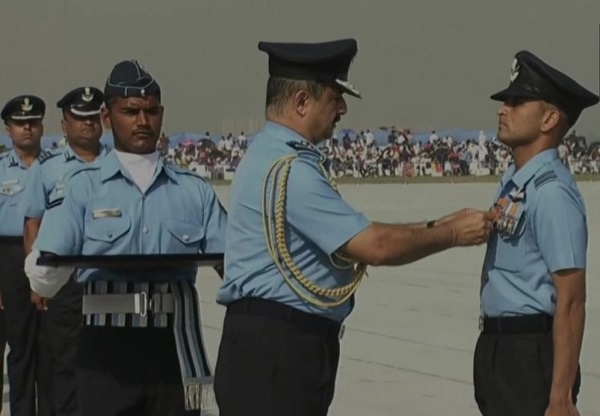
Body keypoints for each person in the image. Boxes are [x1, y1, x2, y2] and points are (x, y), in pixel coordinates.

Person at [213, 38, 493, 416]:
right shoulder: (290, 168)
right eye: (334, 97)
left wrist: (438, 222)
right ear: (300, 102)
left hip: (279, 348)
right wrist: (453, 234)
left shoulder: (275, 156)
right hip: (277, 351)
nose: (342, 109)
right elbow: (374, 246)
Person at [24, 60, 228, 415]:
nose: (142, 121)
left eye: (151, 111)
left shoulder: (193, 191)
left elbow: (234, 265)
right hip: (106, 351)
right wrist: (40, 265)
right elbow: (46, 277)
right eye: (130, 111)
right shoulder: (81, 188)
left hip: (173, 344)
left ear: (162, 114)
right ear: (107, 117)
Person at [474, 50, 599, 416]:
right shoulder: (517, 184)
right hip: (501, 350)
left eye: (516, 102)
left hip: (531, 355)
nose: (503, 109)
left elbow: (572, 299)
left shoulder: (551, 193)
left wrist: (560, 396)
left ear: (549, 118)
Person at [23, 86, 108, 416]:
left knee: (105, 362)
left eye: (92, 117)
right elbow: (33, 225)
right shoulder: (49, 167)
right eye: (79, 118)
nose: (87, 123)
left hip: (105, 277)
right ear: (64, 125)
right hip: (64, 280)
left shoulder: (117, 164)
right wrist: (38, 280)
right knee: (63, 362)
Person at [0, 94, 49, 415]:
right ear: (8, 129)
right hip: (8, 257)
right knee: (19, 347)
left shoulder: (56, 166)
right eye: (20, 123)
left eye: (32, 123)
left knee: (49, 348)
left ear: (42, 127)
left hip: (48, 256)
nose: (27, 128)